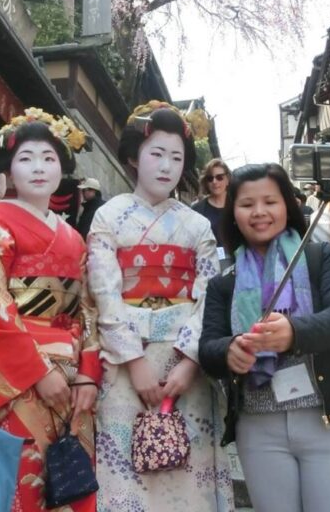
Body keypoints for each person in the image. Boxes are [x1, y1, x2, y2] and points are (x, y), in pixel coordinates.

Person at [87, 101, 234, 512]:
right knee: (125, 471)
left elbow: (210, 293)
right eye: (156, 154)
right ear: (134, 157)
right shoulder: (108, 217)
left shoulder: (198, 225)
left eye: (176, 157)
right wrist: (133, 361)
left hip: (184, 363)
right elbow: (104, 291)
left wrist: (189, 360)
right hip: (124, 362)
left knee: (190, 472)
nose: (166, 166)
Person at [198, 163, 330, 512]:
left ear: (287, 206)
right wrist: (229, 351)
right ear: (233, 212)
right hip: (259, 429)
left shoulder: (322, 258)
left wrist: (294, 333)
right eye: (247, 204)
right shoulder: (224, 282)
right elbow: (208, 347)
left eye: (270, 202)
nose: (259, 212)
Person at [0, 109, 100, 512]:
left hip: (71, 380)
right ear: (9, 170)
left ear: (63, 168)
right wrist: (37, 372)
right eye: (26, 159)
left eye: (49, 158)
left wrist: (89, 374)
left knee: (71, 481)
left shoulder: (74, 236)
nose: (38, 168)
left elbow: (88, 307)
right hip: (19, 377)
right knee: (19, 483)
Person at [192, 158, 232, 266]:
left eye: (219, 177)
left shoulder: (238, 205)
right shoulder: (197, 210)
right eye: (210, 178)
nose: (215, 182)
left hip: (239, 262)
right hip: (209, 263)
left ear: (227, 179)